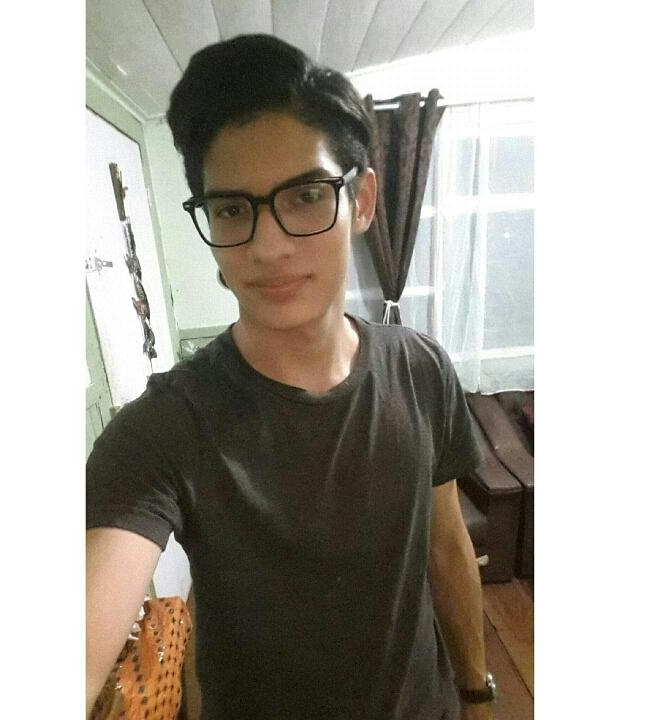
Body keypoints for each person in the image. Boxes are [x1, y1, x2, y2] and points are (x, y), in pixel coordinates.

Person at [86, 34, 494, 720]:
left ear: (362, 201)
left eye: (305, 195)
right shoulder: (163, 430)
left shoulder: (421, 368)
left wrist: (477, 692)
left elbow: (447, 547)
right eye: (232, 209)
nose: (268, 246)